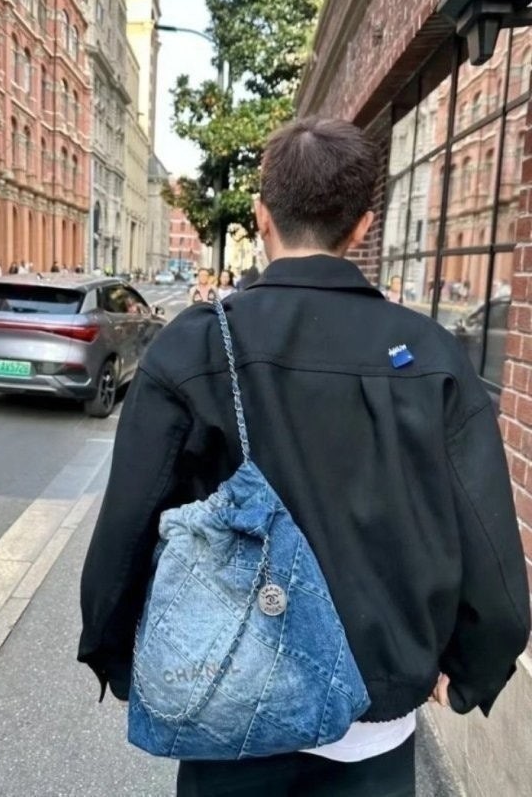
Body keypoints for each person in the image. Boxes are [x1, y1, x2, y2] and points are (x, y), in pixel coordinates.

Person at [78, 117, 530, 796]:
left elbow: (129, 521)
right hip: (376, 720)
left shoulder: (197, 347)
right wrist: (472, 668)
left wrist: (115, 650)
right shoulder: (431, 355)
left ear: (261, 216)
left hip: (228, 702)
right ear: (362, 226)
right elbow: (488, 541)